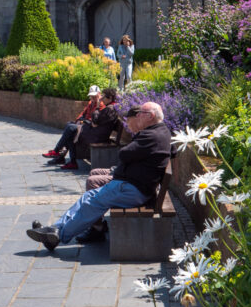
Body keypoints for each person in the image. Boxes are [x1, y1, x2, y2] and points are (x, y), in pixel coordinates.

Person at [26, 101, 171, 250]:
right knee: (87, 197)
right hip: (131, 185)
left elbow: (124, 153)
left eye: (141, 113)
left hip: (134, 189)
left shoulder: (152, 135)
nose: (138, 116)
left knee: (92, 202)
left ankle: (59, 236)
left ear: (151, 116)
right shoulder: (159, 132)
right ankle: (55, 229)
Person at [42, 85, 104, 165]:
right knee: (69, 126)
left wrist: (82, 122)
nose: (93, 98)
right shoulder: (91, 103)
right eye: (91, 96)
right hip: (85, 124)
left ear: (99, 94)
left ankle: (57, 152)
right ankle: (67, 160)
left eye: (95, 96)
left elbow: (95, 120)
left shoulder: (101, 105)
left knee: (70, 129)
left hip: (91, 128)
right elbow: (83, 113)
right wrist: (78, 120)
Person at [60, 87, 120, 170]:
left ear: (109, 98)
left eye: (103, 97)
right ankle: (66, 158)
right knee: (71, 129)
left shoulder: (110, 109)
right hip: (97, 133)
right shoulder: (110, 107)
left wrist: (98, 107)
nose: (101, 99)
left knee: (71, 131)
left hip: (97, 136)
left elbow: (95, 123)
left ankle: (66, 158)